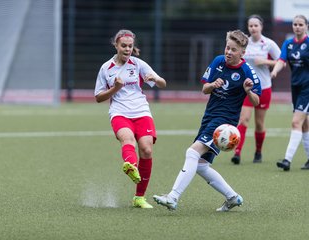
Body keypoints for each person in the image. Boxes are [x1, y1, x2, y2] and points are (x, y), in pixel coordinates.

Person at [153, 30, 261, 212]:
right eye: (227, 47)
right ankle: (232, 197)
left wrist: (248, 91)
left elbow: (256, 101)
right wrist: (212, 85)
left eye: (233, 50)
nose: (228, 52)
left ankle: (172, 197)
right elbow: (204, 89)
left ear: (242, 52)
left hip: (224, 123)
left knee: (192, 153)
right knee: (202, 166)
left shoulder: (247, 72)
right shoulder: (218, 61)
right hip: (209, 117)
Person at [94, 29, 166, 208]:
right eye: (123, 46)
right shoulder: (106, 68)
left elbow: (163, 83)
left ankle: (139, 197)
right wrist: (115, 89)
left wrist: (155, 79)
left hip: (141, 111)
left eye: (130, 46)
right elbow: (98, 97)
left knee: (147, 150)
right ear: (116, 45)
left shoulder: (138, 64)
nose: (127, 49)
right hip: (119, 112)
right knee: (128, 140)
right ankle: (130, 165)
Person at [231, 15, 281, 165]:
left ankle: (258, 152)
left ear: (261, 27)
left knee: (259, 124)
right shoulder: (243, 42)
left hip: (264, 88)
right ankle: (237, 152)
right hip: (247, 88)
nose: (253, 28)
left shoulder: (268, 44)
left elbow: (281, 61)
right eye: (250, 26)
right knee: (243, 119)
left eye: (256, 26)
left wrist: (265, 62)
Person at [271, 15, 309, 171]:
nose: (297, 27)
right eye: (295, 24)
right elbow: (281, 61)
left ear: (306, 26)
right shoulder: (288, 43)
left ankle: (287, 160)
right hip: (296, 87)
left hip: (308, 88)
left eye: (301, 24)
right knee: (305, 125)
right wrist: (275, 71)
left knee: (295, 122)